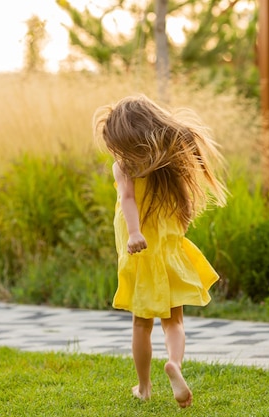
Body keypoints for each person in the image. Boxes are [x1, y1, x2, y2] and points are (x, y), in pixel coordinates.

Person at [93, 95, 228, 408]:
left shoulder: (124, 167)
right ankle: (175, 365)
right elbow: (182, 203)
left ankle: (143, 386)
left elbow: (127, 199)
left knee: (142, 324)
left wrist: (135, 233)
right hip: (169, 251)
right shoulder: (168, 161)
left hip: (139, 253)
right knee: (174, 321)